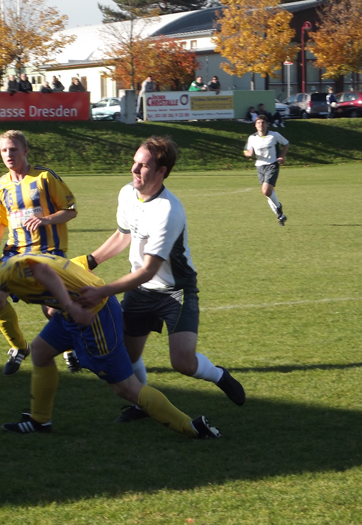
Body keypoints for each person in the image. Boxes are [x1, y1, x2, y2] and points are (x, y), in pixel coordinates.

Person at [0, 248, 221, 439]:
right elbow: (46, 275)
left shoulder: (6, 272)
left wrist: (71, 306)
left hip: (93, 312)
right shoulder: (12, 263)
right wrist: (62, 305)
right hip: (74, 311)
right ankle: (40, 421)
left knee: (125, 388)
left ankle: (192, 427)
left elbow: (43, 271)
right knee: (40, 351)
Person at [78, 136, 246, 424]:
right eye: (134, 162)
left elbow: (147, 269)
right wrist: (89, 262)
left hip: (175, 292)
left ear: (162, 172)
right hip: (140, 290)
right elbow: (123, 235)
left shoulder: (168, 211)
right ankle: (145, 404)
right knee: (126, 360)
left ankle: (219, 375)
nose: (134, 170)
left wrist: (102, 291)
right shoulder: (127, 194)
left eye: (143, 166)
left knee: (182, 362)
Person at [0, 130, 81, 375]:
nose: (9, 154)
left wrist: (46, 219)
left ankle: (70, 349)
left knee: (51, 309)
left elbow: (70, 210)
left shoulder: (44, 177)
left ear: (25, 151)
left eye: (13, 149)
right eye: (4, 150)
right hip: (15, 252)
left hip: (49, 251)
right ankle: (18, 348)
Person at [243, 113, 289, 225]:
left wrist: (282, 156)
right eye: (258, 122)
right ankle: (280, 216)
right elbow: (246, 150)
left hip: (272, 165)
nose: (261, 124)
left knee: (266, 190)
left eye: (263, 123)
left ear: (267, 124)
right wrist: (248, 153)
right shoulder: (252, 138)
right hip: (259, 167)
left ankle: (279, 207)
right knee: (268, 193)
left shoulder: (274, 135)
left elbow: (286, 143)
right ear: (255, 125)